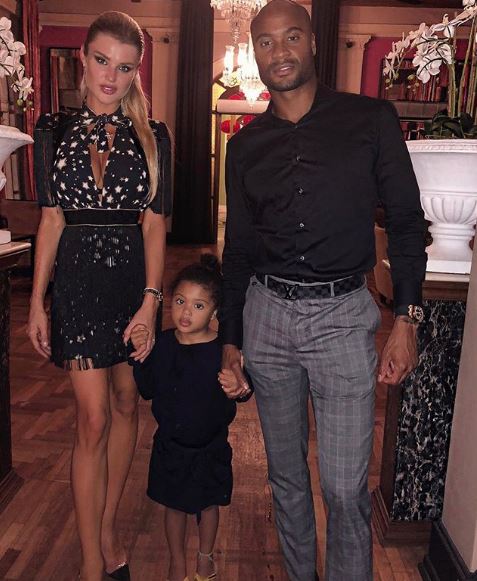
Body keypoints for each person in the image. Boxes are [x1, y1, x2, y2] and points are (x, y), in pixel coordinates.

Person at [220, 1, 427, 580]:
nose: (279, 51)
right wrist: (231, 339)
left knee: (343, 488)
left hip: (342, 317)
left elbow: (407, 222)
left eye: (291, 37)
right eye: (265, 42)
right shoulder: (246, 147)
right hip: (266, 315)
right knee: (285, 479)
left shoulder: (371, 120)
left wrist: (407, 319)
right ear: (255, 53)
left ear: (313, 42)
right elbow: (238, 250)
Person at [27, 11, 171, 581]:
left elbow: (155, 224)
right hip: (78, 286)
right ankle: (92, 562)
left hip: (133, 285)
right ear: (83, 59)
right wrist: (37, 301)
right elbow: (51, 220)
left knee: (127, 402)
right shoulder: (52, 131)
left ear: (136, 74)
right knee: (92, 419)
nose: (112, 76)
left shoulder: (153, 137)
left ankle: (107, 525)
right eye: (103, 61)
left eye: (125, 67)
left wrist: (151, 302)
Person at [130, 254, 247, 581]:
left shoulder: (222, 352)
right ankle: (177, 562)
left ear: (215, 312)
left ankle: (205, 557)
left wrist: (237, 388)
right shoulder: (163, 345)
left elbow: (242, 389)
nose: (186, 312)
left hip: (211, 447)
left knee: (208, 506)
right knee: (174, 507)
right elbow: (147, 388)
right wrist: (139, 354)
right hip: (170, 446)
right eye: (180, 301)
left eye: (198, 306)